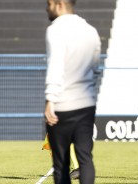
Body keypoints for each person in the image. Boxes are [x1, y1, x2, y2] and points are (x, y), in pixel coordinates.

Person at [44, 0, 101, 183]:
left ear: (58, 4)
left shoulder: (55, 30)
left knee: (61, 163)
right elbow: (95, 69)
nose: (47, 8)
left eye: (49, 4)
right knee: (85, 159)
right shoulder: (91, 30)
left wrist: (50, 99)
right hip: (86, 104)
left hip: (62, 104)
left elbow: (55, 66)